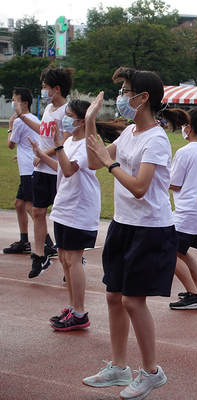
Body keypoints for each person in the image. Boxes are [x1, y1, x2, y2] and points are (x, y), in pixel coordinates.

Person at [82, 67, 187, 400]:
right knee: (114, 296)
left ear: (143, 98)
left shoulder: (156, 138)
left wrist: (109, 162)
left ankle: (152, 372)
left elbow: (140, 187)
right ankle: (118, 366)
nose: (120, 97)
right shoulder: (129, 132)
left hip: (150, 229)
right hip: (123, 224)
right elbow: (93, 162)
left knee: (131, 300)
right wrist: (88, 123)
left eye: (126, 91)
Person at [29, 99, 123, 331]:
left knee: (73, 259)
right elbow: (61, 168)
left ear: (82, 121)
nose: (65, 119)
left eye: (69, 115)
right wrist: (42, 154)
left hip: (80, 208)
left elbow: (70, 170)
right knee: (63, 258)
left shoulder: (88, 144)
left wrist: (58, 146)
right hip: (64, 205)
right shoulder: (71, 140)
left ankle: (80, 312)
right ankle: (72, 307)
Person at [14, 66, 74, 278]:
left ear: (56, 89)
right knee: (38, 211)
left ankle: (72, 257)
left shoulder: (67, 111)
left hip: (57, 170)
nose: (43, 91)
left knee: (61, 216)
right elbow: (43, 131)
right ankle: (40, 256)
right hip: (41, 169)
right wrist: (21, 116)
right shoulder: (48, 109)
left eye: (45, 87)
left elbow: (65, 140)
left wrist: (43, 152)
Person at [168, 108, 197, 310]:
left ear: (190, 127)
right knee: (182, 252)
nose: (182, 128)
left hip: (187, 210)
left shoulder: (184, 152)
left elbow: (175, 183)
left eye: (184, 124)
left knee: (168, 249)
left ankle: (194, 296)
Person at [3, 88, 39, 255]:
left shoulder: (19, 121)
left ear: (24, 103)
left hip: (28, 170)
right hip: (29, 167)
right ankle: (24, 241)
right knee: (19, 204)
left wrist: (10, 126)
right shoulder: (34, 119)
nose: (13, 103)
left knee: (32, 207)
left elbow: (11, 144)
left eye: (15, 100)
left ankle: (48, 243)